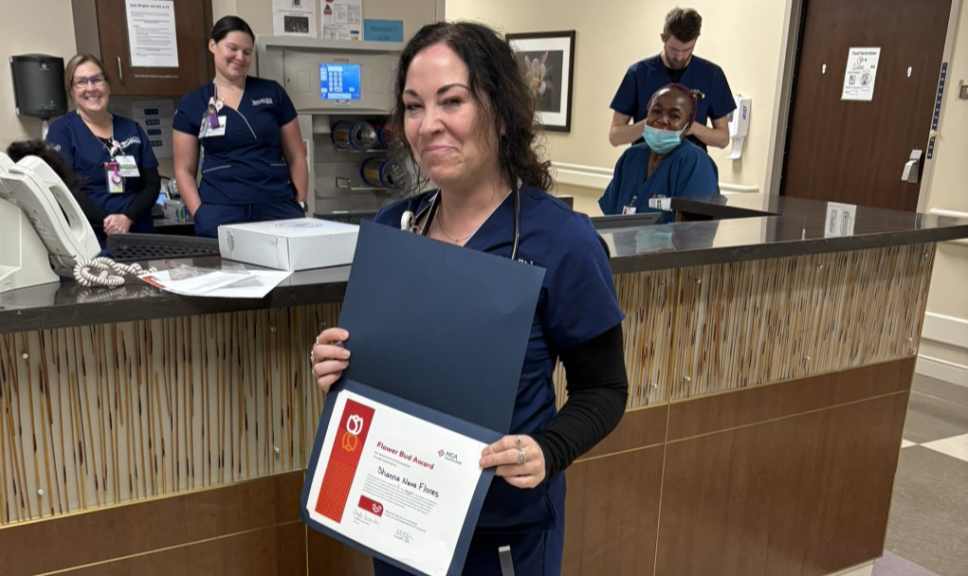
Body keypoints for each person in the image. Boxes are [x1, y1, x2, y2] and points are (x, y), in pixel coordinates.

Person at [309, 22, 628, 576]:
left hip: (504, 534)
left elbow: (603, 389)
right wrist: (336, 366)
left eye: (451, 101)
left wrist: (549, 450)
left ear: (500, 113)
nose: (428, 124)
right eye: (413, 106)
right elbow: (384, 380)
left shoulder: (562, 242)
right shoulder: (393, 230)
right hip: (400, 518)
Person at [172, 16, 308, 238]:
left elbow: (296, 156)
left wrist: (300, 202)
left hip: (277, 208)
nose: (240, 57)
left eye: (247, 52)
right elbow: (183, 170)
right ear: (212, 45)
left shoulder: (272, 93)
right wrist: (201, 213)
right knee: (224, 273)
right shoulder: (193, 103)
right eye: (232, 48)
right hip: (220, 211)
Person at [46, 54, 160, 248]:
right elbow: (63, 189)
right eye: (81, 82)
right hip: (91, 238)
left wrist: (128, 218)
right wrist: (108, 221)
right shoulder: (62, 131)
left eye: (97, 79)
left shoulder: (132, 129)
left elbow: (152, 183)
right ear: (71, 90)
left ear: (108, 85)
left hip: (137, 234)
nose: (91, 88)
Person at [609, 7, 735, 151]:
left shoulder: (712, 75)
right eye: (674, 50)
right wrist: (651, 125)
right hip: (647, 166)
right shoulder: (638, 74)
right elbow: (615, 137)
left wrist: (691, 127)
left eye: (687, 50)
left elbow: (723, 139)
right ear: (663, 38)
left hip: (690, 166)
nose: (680, 57)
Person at [600, 84, 719, 222]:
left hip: (669, 244)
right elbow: (610, 221)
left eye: (674, 116)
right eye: (656, 111)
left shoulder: (695, 163)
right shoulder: (630, 157)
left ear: (687, 127)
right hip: (622, 242)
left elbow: (695, 232)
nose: (662, 120)